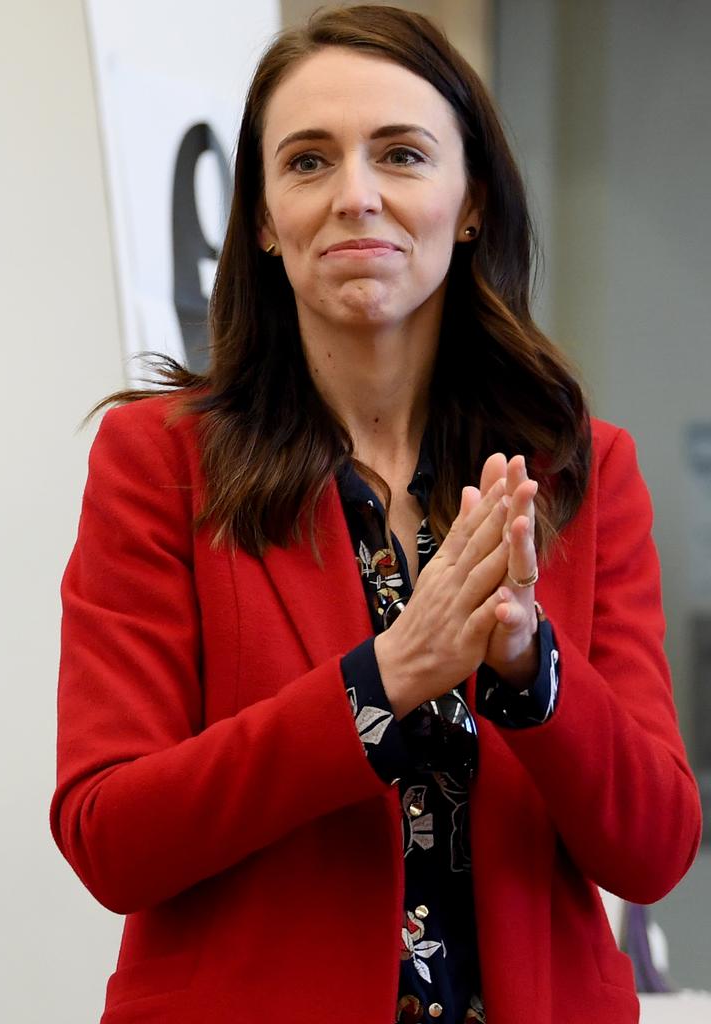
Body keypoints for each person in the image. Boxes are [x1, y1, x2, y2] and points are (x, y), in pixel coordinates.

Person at [50, 6, 701, 1023]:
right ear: (263, 218)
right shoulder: (158, 464)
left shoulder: (581, 470)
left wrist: (530, 670)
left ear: (471, 199)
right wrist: (381, 682)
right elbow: (109, 834)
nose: (356, 196)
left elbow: (655, 846)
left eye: (401, 154)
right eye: (308, 162)